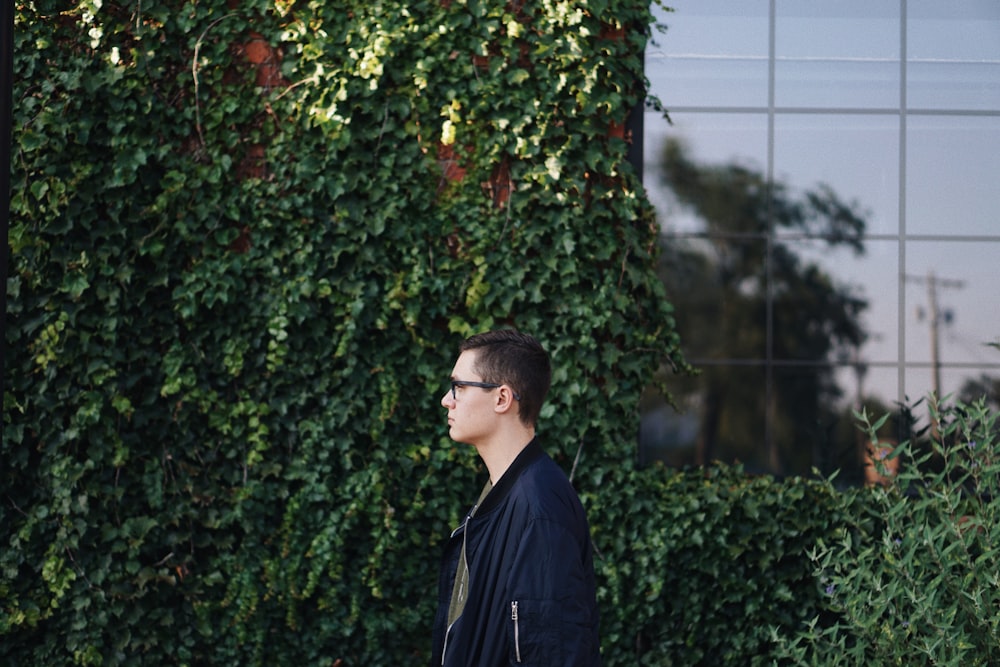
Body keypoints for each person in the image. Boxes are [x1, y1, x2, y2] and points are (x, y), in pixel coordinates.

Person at [429, 329, 601, 666]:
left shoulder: (540, 507)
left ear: (502, 398)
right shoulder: (503, 493)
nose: (446, 400)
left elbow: (552, 655)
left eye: (459, 387)